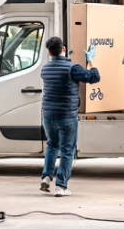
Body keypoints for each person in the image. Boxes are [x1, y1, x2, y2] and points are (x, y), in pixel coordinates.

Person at [39, 37, 100, 197]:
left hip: (48, 114)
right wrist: (91, 60)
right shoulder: (72, 68)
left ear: (49, 51)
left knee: (52, 145)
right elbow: (94, 77)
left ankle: (46, 177)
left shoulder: (45, 69)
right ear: (64, 49)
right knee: (67, 150)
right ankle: (61, 186)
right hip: (66, 115)